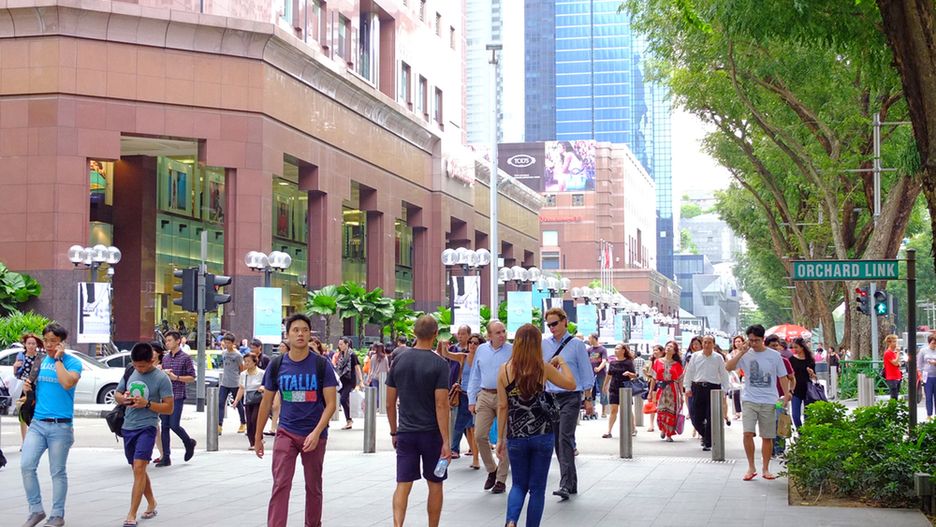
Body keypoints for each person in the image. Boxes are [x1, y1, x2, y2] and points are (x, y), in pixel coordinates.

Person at [255, 314, 338, 527]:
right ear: (288, 335)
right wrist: (257, 436)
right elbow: (265, 404)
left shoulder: (322, 365)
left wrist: (317, 432)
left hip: (314, 434)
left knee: (313, 486)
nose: (300, 334)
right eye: (295, 330)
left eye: (304, 330)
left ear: (310, 335)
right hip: (286, 432)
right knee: (281, 484)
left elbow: (330, 404)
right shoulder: (277, 365)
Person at [496, 324, 575, 527]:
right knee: (537, 488)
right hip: (542, 434)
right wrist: (562, 362)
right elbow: (571, 384)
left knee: (518, 485)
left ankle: (511, 521)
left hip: (516, 436)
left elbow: (503, 406)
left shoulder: (504, 370)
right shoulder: (543, 367)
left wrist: (500, 439)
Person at [386, 315, 451, 527]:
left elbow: (389, 403)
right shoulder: (440, 364)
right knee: (435, 484)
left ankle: (397, 525)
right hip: (432, 434)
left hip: (406, 433)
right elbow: (441, 404)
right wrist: (446, 441)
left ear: (414, 333)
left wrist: (394, 431)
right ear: (435, 334)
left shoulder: (399, 360)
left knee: (403, 484)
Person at [19, 323, 81, 527]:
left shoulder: (72, 363)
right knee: (27, 465)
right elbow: (34, 392)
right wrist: (28, 390)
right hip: (38, 423)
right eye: (46, 341)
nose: (48, 345)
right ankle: (35, 509)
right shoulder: (39, 361)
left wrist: (58, 360)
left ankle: (57, 515)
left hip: (61, 426)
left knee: (57, 471)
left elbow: (67, 383)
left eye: (53, 341)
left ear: (62, 343)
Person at [115, 343, 173, 527]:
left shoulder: (162, 379)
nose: (139, 369)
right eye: (136, 365)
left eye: (143, 366)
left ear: (152, 360)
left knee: (140, 467)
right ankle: (152, 502)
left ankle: (131, 514)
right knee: (137, 469)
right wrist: (123, 399)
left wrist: (147, 404)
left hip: (147, 427)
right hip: (128, 426)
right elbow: (117, 393)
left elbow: (169, 408)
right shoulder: (130, 371)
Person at [726, 324, 791, 481]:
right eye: (751, 340)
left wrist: (787, 395)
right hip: (749, 399)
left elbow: (783, 376)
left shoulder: (774, 356)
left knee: (767, 436)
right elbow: (728, 367)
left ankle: (766, 468)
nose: (753, 343)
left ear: (763, 339)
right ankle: (751, 467)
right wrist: (741, 352)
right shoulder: (745, 354)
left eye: (756, 340)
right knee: (747, 433)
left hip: (769, 400)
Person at [542, 307, 594, 501]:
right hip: (550, 397)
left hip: (571, 396)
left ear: (565, 321)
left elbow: (586, 372)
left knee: (564, 437)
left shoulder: (577, 345)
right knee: (558, 440)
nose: (552, 328)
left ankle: (565, 484)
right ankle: (571, 483)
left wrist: (588, 399)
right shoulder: (544, 344)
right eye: (549, 325)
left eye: (555, 323)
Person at [466, 321, 513, 494]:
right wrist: (472, 399)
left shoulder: (512, 350)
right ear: (489, 336)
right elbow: (475, 375)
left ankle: (501, 479)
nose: (502, 335)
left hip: (505, 396)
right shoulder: (482, 350)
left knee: (505, 438)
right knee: (479, 435)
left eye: (503, 331)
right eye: (498, 332)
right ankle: (491, 470)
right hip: (485, 395)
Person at [157, 330, 197, 467]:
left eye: (169, 340)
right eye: (166, 341)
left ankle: (188, 442)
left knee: (174, 424)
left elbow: (192, 377)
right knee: (165, 426)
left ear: (178, 341)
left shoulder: (185, 358)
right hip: (164, 396)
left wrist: (176, 378)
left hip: (178, 395)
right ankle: (166, 456)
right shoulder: (166, 358)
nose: (167, 343)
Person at [683, 335, 729, 451]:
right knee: (695, 416)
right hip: (697, 387)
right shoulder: (695, 356)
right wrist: (687, 387)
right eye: (704, 342)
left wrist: (725, 390)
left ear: (713, 344)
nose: (706, 345)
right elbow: (689, 372)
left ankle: (708, 441)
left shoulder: (718, 357)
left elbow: (723, 374)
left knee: (711, 415)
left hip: (713, 388)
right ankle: (705, 434)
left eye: (709, 342)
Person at [648, 341, 684, 442]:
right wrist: (650, 391)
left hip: (673, 389)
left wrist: (681, 395)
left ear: (675, 351)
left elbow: (680, 380)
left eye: (671, 347)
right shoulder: (657, 362)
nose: (668, 348)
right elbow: (653, 378)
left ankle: (669, 433)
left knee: (671, 411)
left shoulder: (677, 364)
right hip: (661, 388)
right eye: (667, 346)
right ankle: (663, 428)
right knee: (661, 410)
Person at [603, 343, 638, 439]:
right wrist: (605, 385)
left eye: (618, 348)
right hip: (614, 387)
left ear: (623, 350)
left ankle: (633, 428)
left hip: (625, 388)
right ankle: (609, 431)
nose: (615, 350)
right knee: (613, 410)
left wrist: (629, 373)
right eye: (615, 348)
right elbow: (609, 375)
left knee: (626, 409)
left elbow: (635, 375)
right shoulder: (612, 362)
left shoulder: (628, 362)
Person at [13, 333, 43, 443]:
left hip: (37, 387)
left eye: (33, 343)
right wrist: (15, 367)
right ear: (25, 344)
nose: (31, 346)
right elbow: (17, 375)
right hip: (24, 387)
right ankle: (24, 441)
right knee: (22, 413)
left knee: (34, 413)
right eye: (28, 343)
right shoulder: (21, 356)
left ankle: (35, 438)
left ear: (37, 345)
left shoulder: (40, 357)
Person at [233, 353, 265, 450]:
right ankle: (252, 443)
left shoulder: (262, 373)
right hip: (248, 399)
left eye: (248, 361)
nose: (246, 363)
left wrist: (262, 388)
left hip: (259, 399)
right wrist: (236, 400)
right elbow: (241, 388)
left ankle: (259, 439)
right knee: (249, 422)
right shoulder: (243, 374)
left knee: (255, 419)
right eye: (245, 361)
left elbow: (267, 385)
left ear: (255, 362)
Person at [218, 333, 246, 435]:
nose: (227, 344)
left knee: (238, 404)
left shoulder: (238, 355)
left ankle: (243, 422)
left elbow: (241, 369)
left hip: (235, 382)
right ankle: (219, 425)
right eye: (225, 342)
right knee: (220, 403)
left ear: (233, 343)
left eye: (229, 343)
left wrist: (240, 382)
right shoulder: (224, 353)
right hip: (224, 382)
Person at [335, 337, 364, 430]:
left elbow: (357, 367)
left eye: (341, 344)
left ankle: (349, 420)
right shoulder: (341, 354)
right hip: (341, 380)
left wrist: (361, 381)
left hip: (349, 380)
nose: (340, 346)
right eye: (339, 344)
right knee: (345, 400)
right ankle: (349, 419)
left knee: (343, 400)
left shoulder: (352, 355)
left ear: (347, 344)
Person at [788, 338, 816, 429]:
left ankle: (807, 434)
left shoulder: (810, 360)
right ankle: (801, 433)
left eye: (796, 347)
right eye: (793, 347)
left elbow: (814, 377)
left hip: (808, 390)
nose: (794, 349)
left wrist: (811, 373)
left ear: (802, 347)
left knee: (808, 415)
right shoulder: (791, 360)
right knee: (795, 415)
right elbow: (788, 376)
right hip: (795, 389)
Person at [263, 341, 288, 437]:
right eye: (280, 346)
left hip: (288, 388)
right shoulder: (276, 360)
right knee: (275, 406)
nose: (281, 348)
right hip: (278, 387)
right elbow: (269, 373)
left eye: (283, 346)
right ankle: (273, 427)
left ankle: (280, 425)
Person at [586, 334, 609, 419]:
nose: (589, 340)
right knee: (591, 391)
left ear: (595, 339)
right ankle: (592, 409)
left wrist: (599, 368)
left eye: (590, 338)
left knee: (603, 390)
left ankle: (603, 411)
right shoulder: (589, 349)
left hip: (601, 373)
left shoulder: (602, 349)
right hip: (590, 373)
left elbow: (604, 360)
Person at [644, 345, 664, 433]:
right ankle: (651, 424)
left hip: (662, 383)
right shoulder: (651, 361)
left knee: (662, 404)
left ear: (662, 351)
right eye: (654, 350)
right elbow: (650, 374)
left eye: (656, 350)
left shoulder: (664, 361)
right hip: (652, 383)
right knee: (652, 403)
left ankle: (661, 423)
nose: (655, 352)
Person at [365, 342, 390, 407]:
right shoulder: (385, 357)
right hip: (383, 377)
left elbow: (371, 368)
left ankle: (376, 406)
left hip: (374, 377)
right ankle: (381, 406)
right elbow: (387, 368)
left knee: (375, 392)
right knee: (382, 392)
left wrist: (369, 378)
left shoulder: (373, 357)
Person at [919, 334, 936, 420]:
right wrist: (920, 375)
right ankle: (929, 414)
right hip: (927, 376)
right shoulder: (923, 351)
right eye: (933, 343)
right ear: (929, 342)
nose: (934, 345)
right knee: (928, 396)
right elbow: (919, 364)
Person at [883, 334, 902, 400]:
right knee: (894, 395)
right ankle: (893, 408)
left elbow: (898, 364)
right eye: (894, 342)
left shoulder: (894, 353)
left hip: (897, 376)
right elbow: (895, 363)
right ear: (889, 343)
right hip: (891, 377)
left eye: (896, 341)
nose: (896, 343)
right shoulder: (888, 353)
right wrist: (898, 353)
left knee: (896, 394)